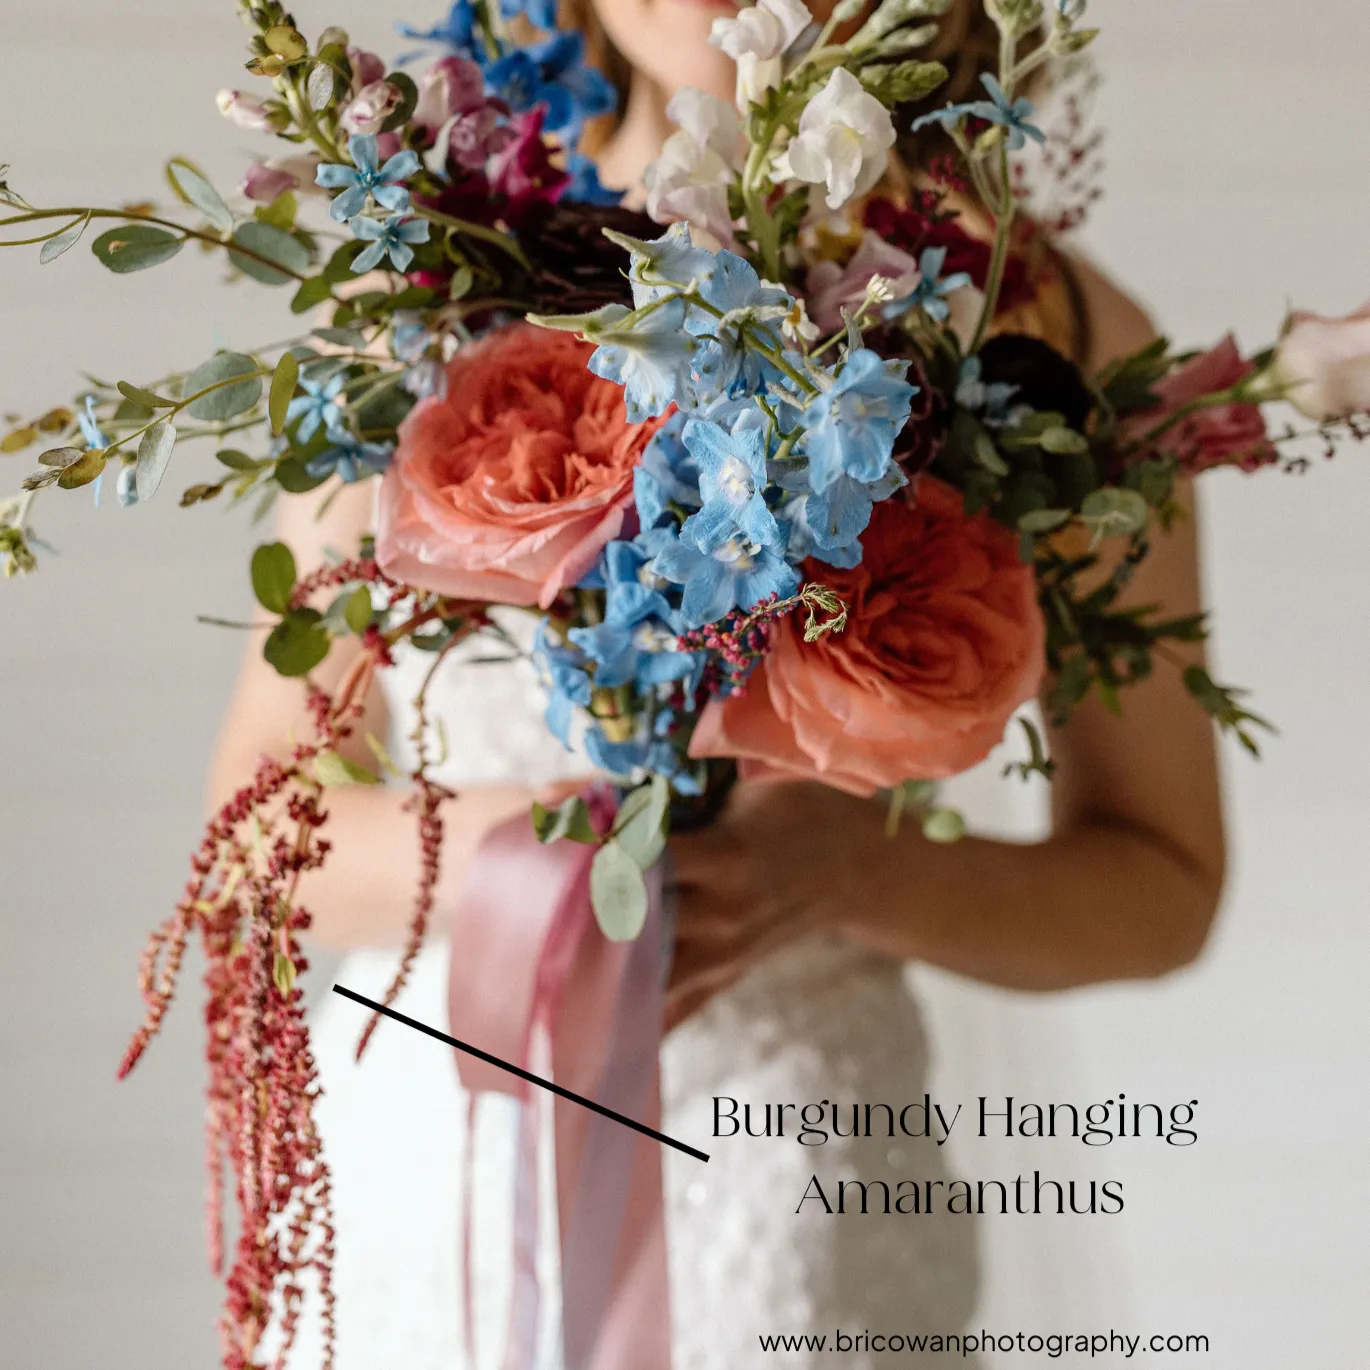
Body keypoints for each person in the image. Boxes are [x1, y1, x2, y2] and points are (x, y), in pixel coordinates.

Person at [211, 0, 1226, 1364]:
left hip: (805, 1189)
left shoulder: (1045, 328)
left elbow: (1159, 882)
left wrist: (854, 868)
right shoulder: (422, 278)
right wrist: (556, 862)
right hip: (443, 1166)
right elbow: (259, 838)